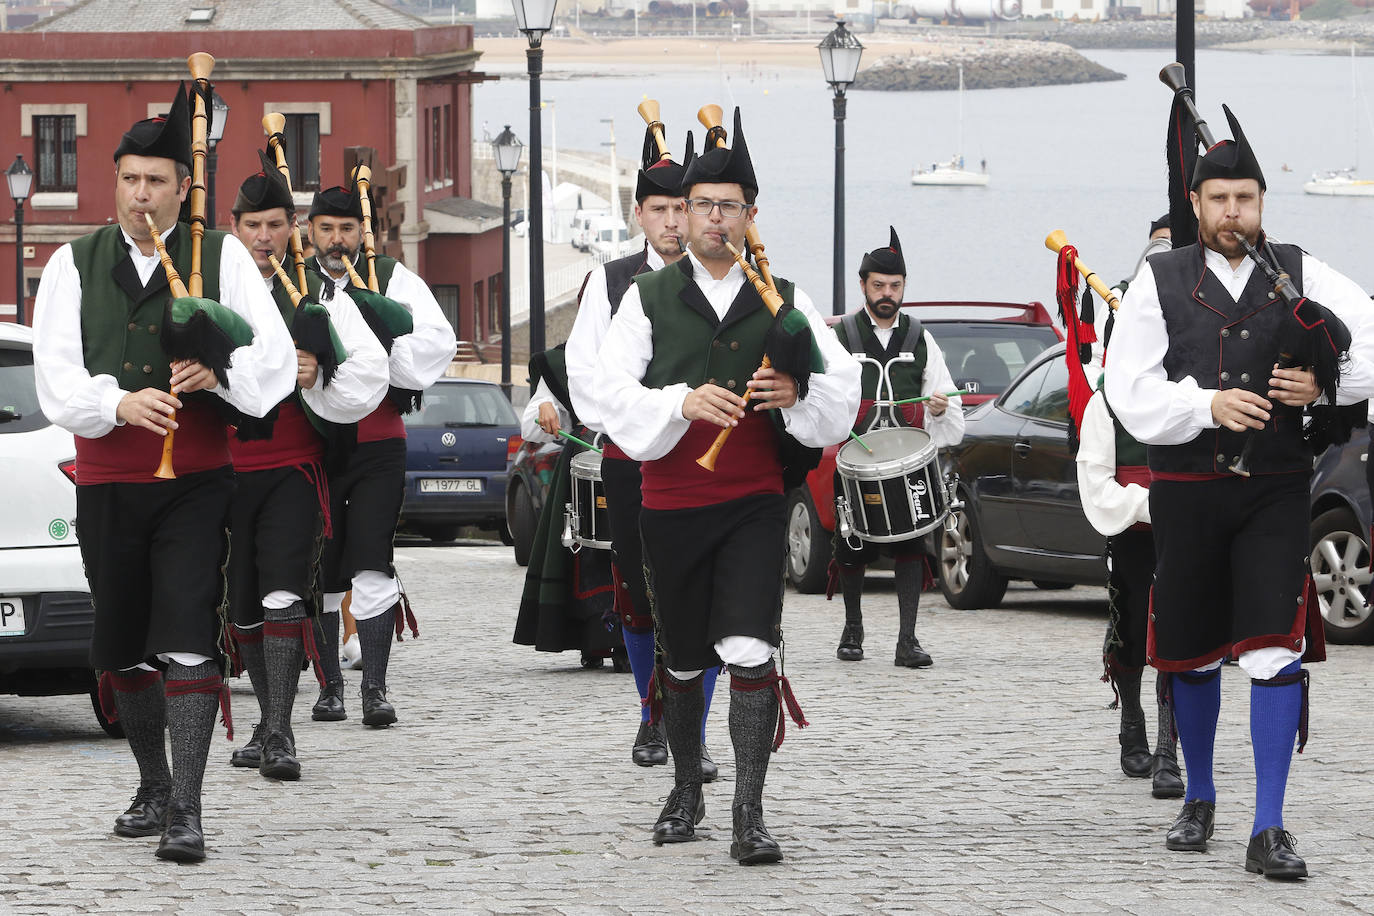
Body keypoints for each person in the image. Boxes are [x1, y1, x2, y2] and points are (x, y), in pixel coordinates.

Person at [1106, 105, 1374, 880]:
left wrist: (1322, 385)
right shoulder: (1158, 279)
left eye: (1246, 199)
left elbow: (1366, 342)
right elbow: (1128, 388)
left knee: (1270, 647)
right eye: (1219, 199)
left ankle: (1269, 827)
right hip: (1186, 489)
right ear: (1196, 204)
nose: (1233, 213)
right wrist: (1204, 405)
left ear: (1262, 201)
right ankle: (1200, 797)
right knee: (1189, 655)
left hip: (1275, 490)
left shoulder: (1298, 268)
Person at [31, 85, 297, 861]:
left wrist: (219, 378)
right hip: (110, 482)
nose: (141, 194)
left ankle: (188, 806)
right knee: (120, 649)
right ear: (114, 181)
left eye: (157, 181)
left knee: (185, 633)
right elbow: (55, 379)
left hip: (196, 482)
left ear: (184, 186)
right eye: (130, 179)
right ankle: (153, 781)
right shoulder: (71, 264)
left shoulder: (219, 258)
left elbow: (272, 364)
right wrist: (118, 403)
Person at [590, 108, 859, 864]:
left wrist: (795, 397)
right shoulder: (646, 298)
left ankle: (748, 811)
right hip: (671, 504)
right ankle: (686, 788)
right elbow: (608, 395)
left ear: (750, 214)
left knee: (749, 648)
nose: (712, 219)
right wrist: (678, 401)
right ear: (682, 214)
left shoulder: (786, 299)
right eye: (700, 205)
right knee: (681, 658)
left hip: (753, 504)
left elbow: (845, 394)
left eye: (727, 206)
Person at [224, 159, 388, 779]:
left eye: (274, 225)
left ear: (292, 227)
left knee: (284, 591)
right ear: (234, 227)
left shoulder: (319, 292)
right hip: (224, 471)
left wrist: (322, 375)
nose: (263, 237)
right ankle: (267, 720)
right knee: (241, 605)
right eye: (252, 225)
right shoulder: (208, 285)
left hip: (293, 466)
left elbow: (367, 371)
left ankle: (281, 733)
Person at [565, 124, 721, 777]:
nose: (671, 222)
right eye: (658, 210)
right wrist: (636, 424)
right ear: (639, 214)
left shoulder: (723, 275)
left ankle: (697, 731)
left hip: (707, 460)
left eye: (681, 208)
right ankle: (651, 716)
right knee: (638, 593)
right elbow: (585, 374)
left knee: (703, 597)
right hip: (633, 459)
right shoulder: (612, 280)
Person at [306, 180, 457, 727]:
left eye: (347, 229)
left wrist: (384, 336)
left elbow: (436, 343)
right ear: (311, 231)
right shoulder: (293, 282)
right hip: (316, 446)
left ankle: (374, 688)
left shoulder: (393, 278)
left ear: (361, 233)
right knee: (321, 566)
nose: (337, 240)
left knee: (371, 561)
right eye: (327, 229)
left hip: (379, 442)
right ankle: (329, 690)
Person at [830, 227, 964, 668]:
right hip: (856, 461)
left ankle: (907, 639)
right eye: (878, 286)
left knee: (911, 544)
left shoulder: (919, 338)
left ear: (904, 286)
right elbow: (822, 395)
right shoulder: (842, 336)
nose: (887, 294)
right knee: (850, 544)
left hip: (905, 466)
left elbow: (944, 399)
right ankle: (853, 627)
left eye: (895, 286)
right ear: (863, 285)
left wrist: (941, 409)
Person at [1074, 310, 1182, 800]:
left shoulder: (1185, 398)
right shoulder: (1106, 405)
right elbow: (1095, 482)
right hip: (1133, 534)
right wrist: (1150, 504)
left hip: (1185, 534)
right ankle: (1133, 722)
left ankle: (1168, 747)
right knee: (1133, 628)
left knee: (1180, 635)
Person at [512, 344, 621, 669]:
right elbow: (532, 426)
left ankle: (639, 639)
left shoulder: (657, 338)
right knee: (583, 550)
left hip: (641, 456)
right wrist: (544, 405)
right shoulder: (563, 360)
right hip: (583, 462)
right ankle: (594, 639)